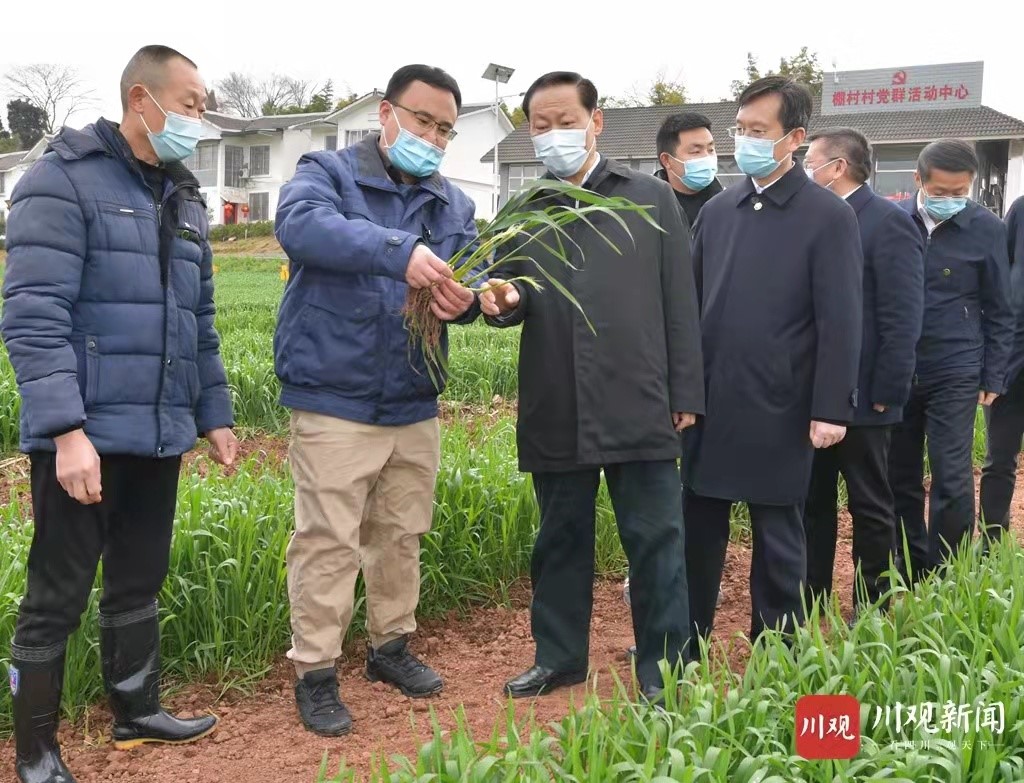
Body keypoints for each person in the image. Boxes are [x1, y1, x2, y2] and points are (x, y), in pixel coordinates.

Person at [1, 45, 238, 783]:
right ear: (144, 99)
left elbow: (199, 321)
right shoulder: (62, 180)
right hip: (87, 435)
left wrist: (215, 412)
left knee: (139, 576)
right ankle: (36, 749)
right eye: (193, 104)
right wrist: (66, 432)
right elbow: (34, 314)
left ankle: (136, 707)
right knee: (57, 593)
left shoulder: (183, 195)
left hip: (159, 428)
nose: (200, 119)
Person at [273, 64, 498, 737]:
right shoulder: (329, 173)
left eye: (445, 130)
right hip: (334, 394)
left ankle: (390, 646)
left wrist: (473, 302)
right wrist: (397, 250)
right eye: (423, 121)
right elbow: (301, 226)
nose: (432, 137)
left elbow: (477, 273)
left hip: (411, 396)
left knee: (400, 533)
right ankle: (315, 669)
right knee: (327, 540)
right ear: (388, 114)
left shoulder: (450, 205)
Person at [481, 71, 704, 702]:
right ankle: (558, 658)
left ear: (596, 121)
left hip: (640, 397)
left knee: (656, 542)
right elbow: (504, 293)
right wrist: (501, 302)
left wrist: (685, 392)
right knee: (559, 540)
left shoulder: (648, 197)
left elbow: (679, 303)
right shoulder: (525, 208)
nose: (554, 136)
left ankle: (663, 669)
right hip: (558, 400)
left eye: (566, 121)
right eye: (541, 126)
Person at [682, 77, 863, 653]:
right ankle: (684, 640)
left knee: (777, 525)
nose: (744, 141)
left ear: (794, 138)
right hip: (713, 397)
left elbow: (841, 320)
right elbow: (689, 307)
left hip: (784, 401)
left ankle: (777, 647)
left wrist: (829, 406)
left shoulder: (827, 217)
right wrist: (683, 390)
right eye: (740, 129)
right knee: (697, 525)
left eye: (757, 131)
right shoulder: (717, 211)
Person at [801, 128, 924, 612]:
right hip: (814, 392)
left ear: (838, 168)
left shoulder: (887, 222)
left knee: (870, 503)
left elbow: (902, 312)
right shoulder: (813, 220)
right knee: (812, 502)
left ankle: (872, 604)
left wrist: (889, 389)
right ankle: (810, 599)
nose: (804, 169)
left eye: (811, 161)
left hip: (868, 393)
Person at [889, 140, 1014, 580]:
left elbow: (1001, 306)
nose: (950, 201)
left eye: (960, 191)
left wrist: (994, 373)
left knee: (952, 473)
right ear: (918, 181)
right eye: (940, 192)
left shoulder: (986, 228)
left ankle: (947, 574)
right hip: (896, 367)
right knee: (898, 473)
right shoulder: (892, 222)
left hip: (956, 365)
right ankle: (906, 566)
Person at [978, 195, 1024, 544]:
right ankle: (992, 542)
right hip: (1012, 359)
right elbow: (999, 280)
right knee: (999, 459)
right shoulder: (1022, 210)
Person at [654, 111, 724, 228]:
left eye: (711, 150)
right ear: (666, 160)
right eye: (696, 152)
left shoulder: (729, 205)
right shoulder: (645, 208)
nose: (706, 157)